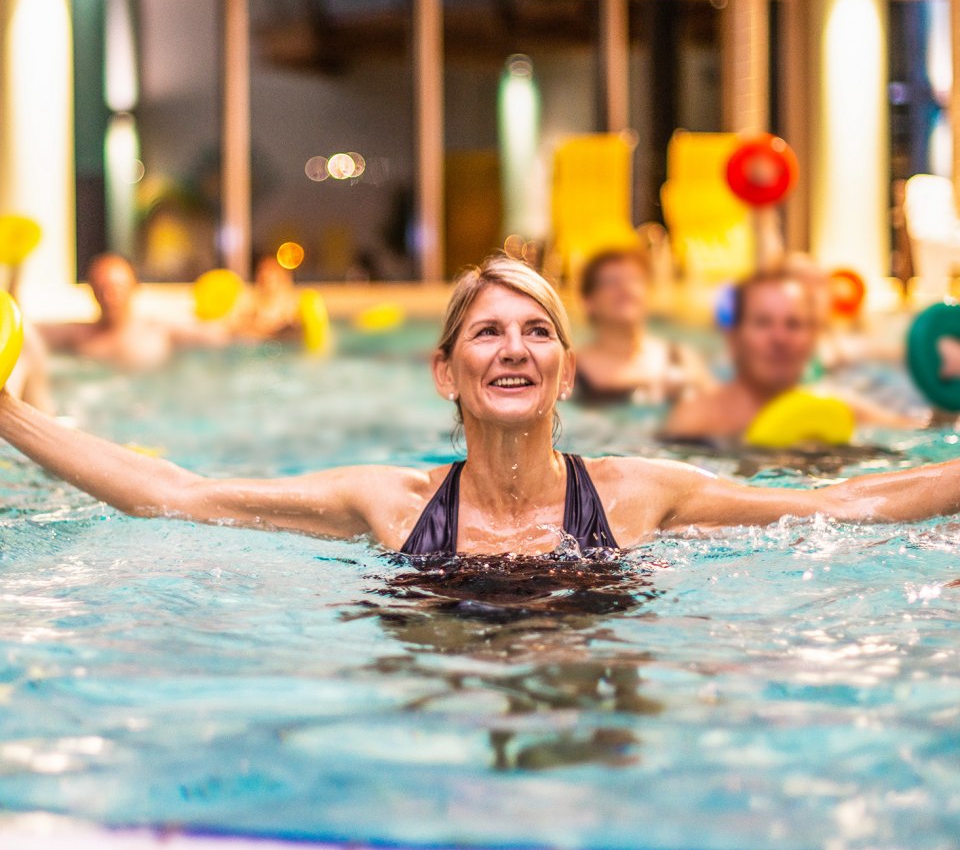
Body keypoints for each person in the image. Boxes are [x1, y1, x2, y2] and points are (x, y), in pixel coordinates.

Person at [1, 254, 958, 555]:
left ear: (567, 371)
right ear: (446, 372)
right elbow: (176, 494)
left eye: (537, 331)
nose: (513, 347)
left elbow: (851, 502)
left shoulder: (637, 495)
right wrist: (8, 412)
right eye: (488, 333)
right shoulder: (391, 504)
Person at [662, 270, 918, 443]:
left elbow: (920, 437)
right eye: (763, 323)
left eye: (794, 324)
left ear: (813, 339)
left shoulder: (846, 410)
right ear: (734, 337)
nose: (779, 338)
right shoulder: (695, 422)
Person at [39, 253, 226, 370]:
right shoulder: (77, 335)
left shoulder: (160, 331)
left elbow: (220, 335)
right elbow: (26, 334)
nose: (110, 295)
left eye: (117, 287)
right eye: (103, 288)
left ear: (135, 287)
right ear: (92, 291)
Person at [574, 248, 713, 406]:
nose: (625, 288)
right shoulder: (569, 372)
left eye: (634, 280)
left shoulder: (681, 360)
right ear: (588, 302)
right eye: (611, 282)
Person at [232, 254, 303, 342]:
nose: (266, 279)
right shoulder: (249, 304)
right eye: (263, 274)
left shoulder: (291, 308)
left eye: (272, 275)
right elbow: (234, 329)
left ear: (284, 279)